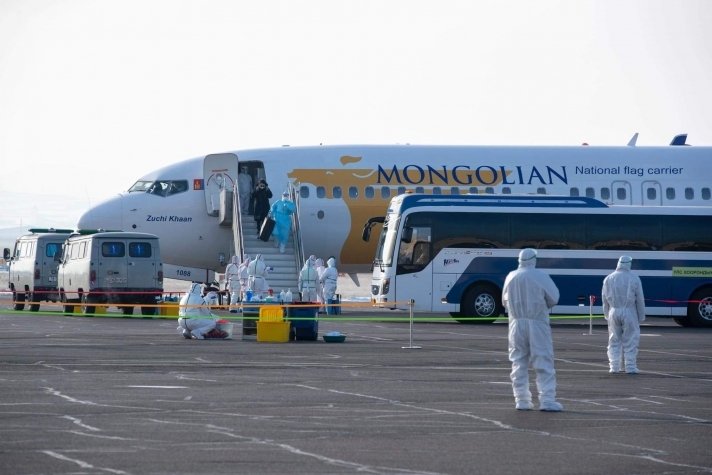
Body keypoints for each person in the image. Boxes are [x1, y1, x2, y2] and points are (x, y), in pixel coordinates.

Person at [502, 248, 562, 412]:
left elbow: (504, 301)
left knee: (518, 362)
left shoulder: (511, 276)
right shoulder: (540, 276)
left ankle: (521, 400)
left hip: (516, 324)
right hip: (537, 323)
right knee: (543, 360)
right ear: (534, 259)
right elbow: (554, 298)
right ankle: (547, 400)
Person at [602, 256, 646, 374]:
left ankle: (614, 367)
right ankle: (630, 367)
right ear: (629, 264)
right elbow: (640, 299)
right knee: (630, 339)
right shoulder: (634, 278)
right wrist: (641, 316)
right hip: (629, 312)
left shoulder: (608, 278)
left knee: (614, 340)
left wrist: (606, 314)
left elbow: (604, 299)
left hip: (613, 311)